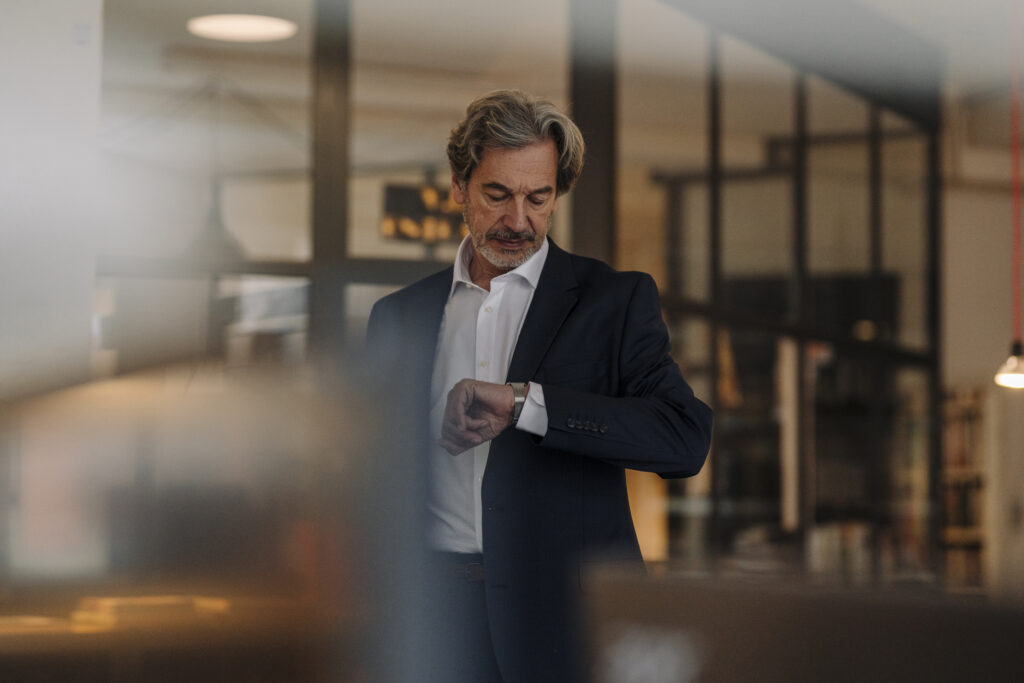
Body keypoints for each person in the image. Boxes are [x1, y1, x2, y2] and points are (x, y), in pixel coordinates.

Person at [366, 90, 712, 683]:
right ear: (459, 185)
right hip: (431, 618)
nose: (518, 221)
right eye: (497, 195)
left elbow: (684, 440)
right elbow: (363, 472)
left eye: (538, 197)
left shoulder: (615, 302)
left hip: (565, 624)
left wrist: (530, 405)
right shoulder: (399, 315)